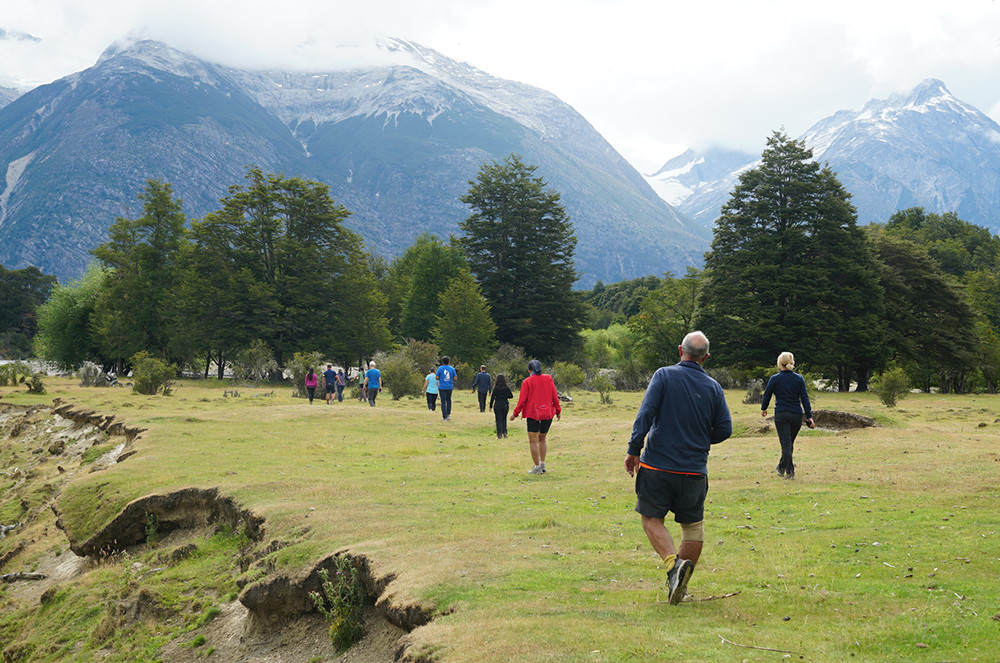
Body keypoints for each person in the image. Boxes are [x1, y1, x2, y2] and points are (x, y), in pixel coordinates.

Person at [624, 331, 732, 605]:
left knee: (650, 518)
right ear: (706, 357)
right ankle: (679, 583)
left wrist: (634, 449)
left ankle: (673, 567)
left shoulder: (663, 375)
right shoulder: (713, 387)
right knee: (693, 527)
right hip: (694, 471)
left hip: (657, 465)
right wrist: (698, 438)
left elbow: (646, 413)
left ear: (679, 350)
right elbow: (724, 429)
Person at [761, 351, 814, 479]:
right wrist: (809, 416)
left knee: (786, 444)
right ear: (792, 363)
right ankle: (781, 467)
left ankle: (790, 471)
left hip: (781, 414)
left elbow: (767, 394)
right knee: (789, 444)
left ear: (779, 363)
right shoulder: (799, 378)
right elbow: (805, 398)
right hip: (796, 414)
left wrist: (764, 408)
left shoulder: (775, 379)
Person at [510, 359, 560, 474]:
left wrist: (515, 414)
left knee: (533, 441)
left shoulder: (527, 382)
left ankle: (537, 467)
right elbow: (554, 395)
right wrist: (558, 410)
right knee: (542, 438)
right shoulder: (548, 378)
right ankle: (542, 463)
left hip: (533, 414)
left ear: (529, 370)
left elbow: (522, 401)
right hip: (548, 414)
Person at [489, 374, 514, 439]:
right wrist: (505, 396)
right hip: (505, 404)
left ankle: (499, 434)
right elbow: (511, 396)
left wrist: (490, 406)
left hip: (497, 404)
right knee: (504, 419)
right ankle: (505, 432)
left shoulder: (496, 388)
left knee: (498, 420)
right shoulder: (506, 387)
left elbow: (492, 397)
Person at [436, 357, 457, 421]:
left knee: (443, 401)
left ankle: (444, 416)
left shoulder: (440, 368)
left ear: (442, 362)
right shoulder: (452, 369)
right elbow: (455, 378)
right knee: (449, 400)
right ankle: (448, 414)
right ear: (449, 361)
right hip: (449, 386)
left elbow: (436, 377)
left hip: (442, 387)